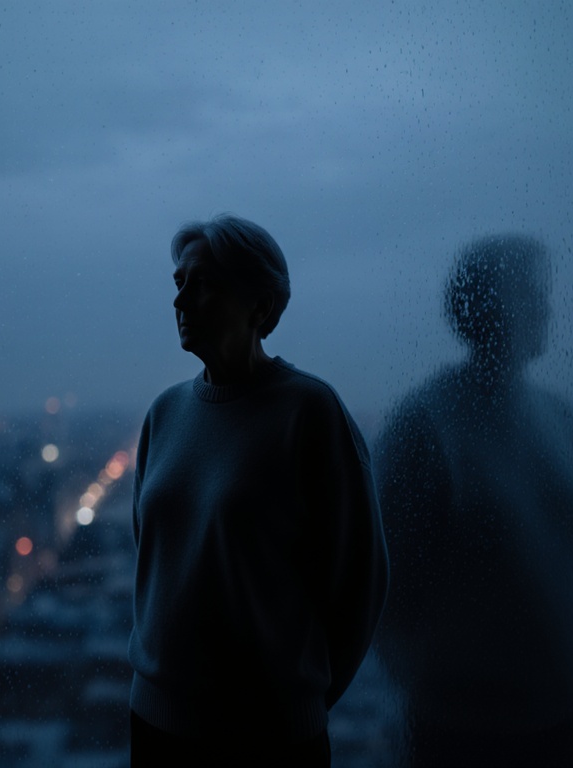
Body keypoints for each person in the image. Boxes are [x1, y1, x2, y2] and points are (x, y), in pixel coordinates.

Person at [128, 214, 389, 767]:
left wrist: (292, 703)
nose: (180, 302)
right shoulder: (165, 414)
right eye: (178, 285)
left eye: (200, 284)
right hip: (154, 725)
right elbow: (156, 558)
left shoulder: (310, 413)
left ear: (260, 306)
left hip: (269, 740)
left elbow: (359, 583)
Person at [374, 234, 573, 767]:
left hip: (569, 717)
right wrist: (444, 684)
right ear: (486, 303)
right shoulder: (426, 426)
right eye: (529, 291)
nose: (546, 307)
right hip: (465, 732)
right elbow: (387, 581)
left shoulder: (559, 418)